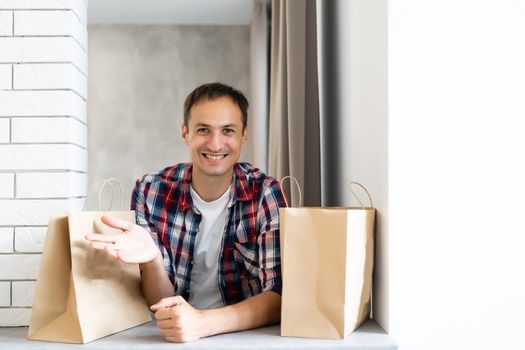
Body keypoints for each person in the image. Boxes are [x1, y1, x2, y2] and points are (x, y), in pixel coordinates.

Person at [85, 82, 287, 343]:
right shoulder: (151, 190)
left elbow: (279, 295)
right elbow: (159, 302)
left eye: (228, 130)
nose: (215, 144)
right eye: (203, 130)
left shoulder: (265, 193)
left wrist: (203, 323)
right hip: (170, 332)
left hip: (245, 337)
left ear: (243, 136)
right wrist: (152, 259)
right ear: (185, 133)